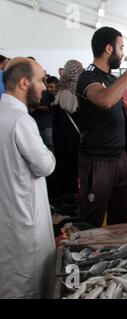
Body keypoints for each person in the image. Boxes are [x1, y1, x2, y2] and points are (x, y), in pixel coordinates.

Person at [76, 26, 127, 227]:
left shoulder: (113, 78)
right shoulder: (88, 77)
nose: (122, 54)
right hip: (97, 161)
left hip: (119, 157)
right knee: (91, 221)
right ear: (108, 48)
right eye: (121, 48)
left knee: (121, 218)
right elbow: (105, 100)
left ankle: (115, 257)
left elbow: (123, 108)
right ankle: (87, 255)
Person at [0, 57, 56, 298]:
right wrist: (50, 154)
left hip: (8, 220)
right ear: (24, 83)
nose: (44, 87)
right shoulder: (21, 120)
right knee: (28, 285)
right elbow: (45, 165)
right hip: (25, 221)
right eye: (41, 80)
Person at [52, 59, 84, 197]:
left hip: (60, 136)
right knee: (75, 167)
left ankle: (64, 195)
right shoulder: (78, 89)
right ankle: (75, 195)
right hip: (75, 138)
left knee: (63, 165)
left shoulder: (60, 87)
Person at [31, 75, 59, 152]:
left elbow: (49, 108)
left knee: (49, 147)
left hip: (48, 126)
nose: (50, 89)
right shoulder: (42, 93)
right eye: (49, 86)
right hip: (37, 125)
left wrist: (36, 106)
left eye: (52, 87)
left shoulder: (58, 95)